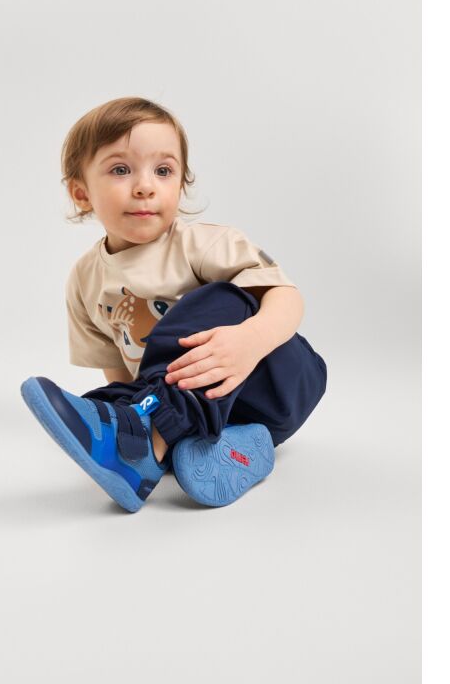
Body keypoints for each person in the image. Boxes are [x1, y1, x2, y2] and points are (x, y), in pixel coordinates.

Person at [20, 96, 327, 512]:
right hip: (211, 411)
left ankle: (145, 442)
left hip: (276, 379)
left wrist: (250, 341)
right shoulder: (85, 278)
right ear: (82, 193)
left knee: (222, 297)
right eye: (121, 170)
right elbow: (119, 367)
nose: (145, 186)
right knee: (113, 396)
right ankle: (220, 449)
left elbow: (287, 298)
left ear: (180, 185)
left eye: (163, 171)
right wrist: (123, 404)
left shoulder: (202, 244)